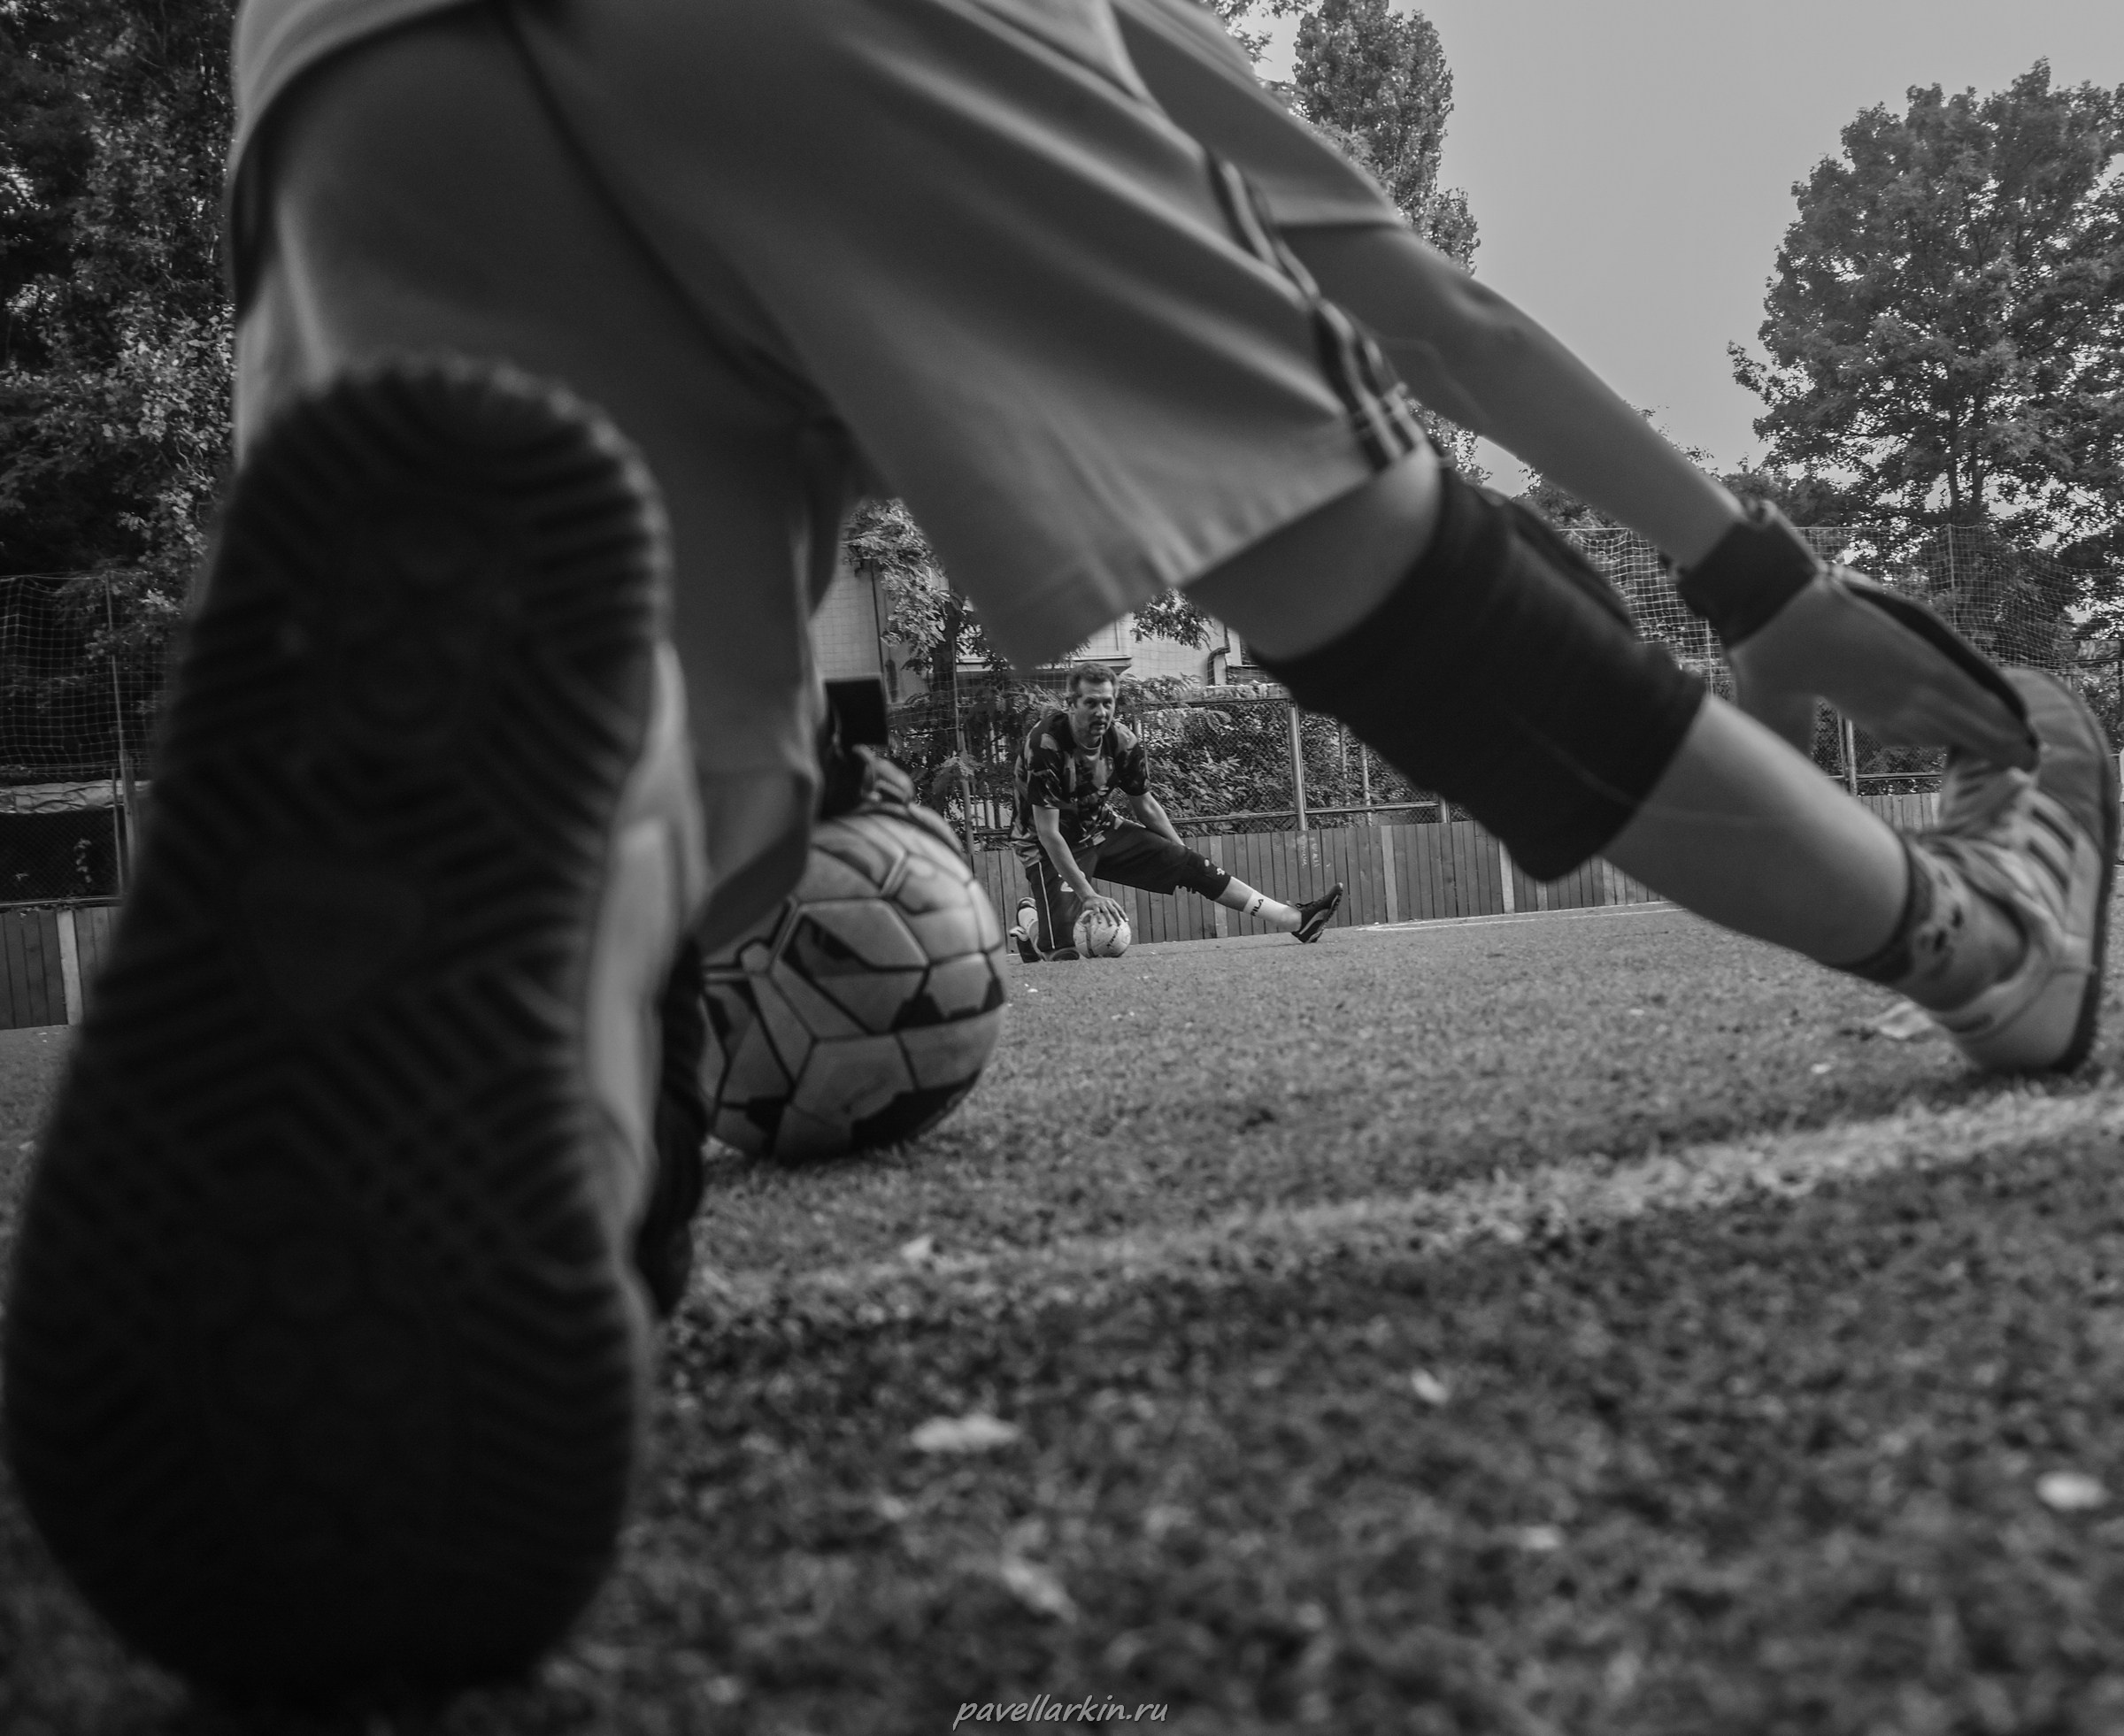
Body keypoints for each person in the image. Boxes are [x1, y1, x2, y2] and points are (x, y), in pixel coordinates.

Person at [4, 0, 2109, 1701]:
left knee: (652, 796)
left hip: (347, 68)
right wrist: (1749, 579)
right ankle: (1988, 942)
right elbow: (1431, 315)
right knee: (1363, 554)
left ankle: (587, 1032)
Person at [1009, 664, 1343, 958]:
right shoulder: (1046, 744)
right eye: (1091, 703)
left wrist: (1182, 859)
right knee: (1063, 951)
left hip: (1100, 828)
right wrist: (1089, 895)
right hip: (1045, 845)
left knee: (1194, 865)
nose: (1101, 712)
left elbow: (1146, 805)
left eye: (1107, 703)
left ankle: (1296, 920)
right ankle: (1031, 920)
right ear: (1071, 704)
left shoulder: (1123, 742)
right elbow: (1048, 832)